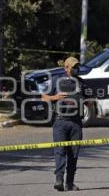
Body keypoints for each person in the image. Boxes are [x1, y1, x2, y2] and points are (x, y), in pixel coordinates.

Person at [41, 57, 85, 191]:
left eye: (77, 66)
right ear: (66, 67)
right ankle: (59, 180)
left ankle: (70, 183)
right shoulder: (56, 81)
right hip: (60, 121)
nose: (76, 69)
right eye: (73, 66)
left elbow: (87, 99)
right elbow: (43, 97)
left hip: (76, 123)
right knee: (60, 152)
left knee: (74, 154)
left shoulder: (81, 82)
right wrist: (55, 97)